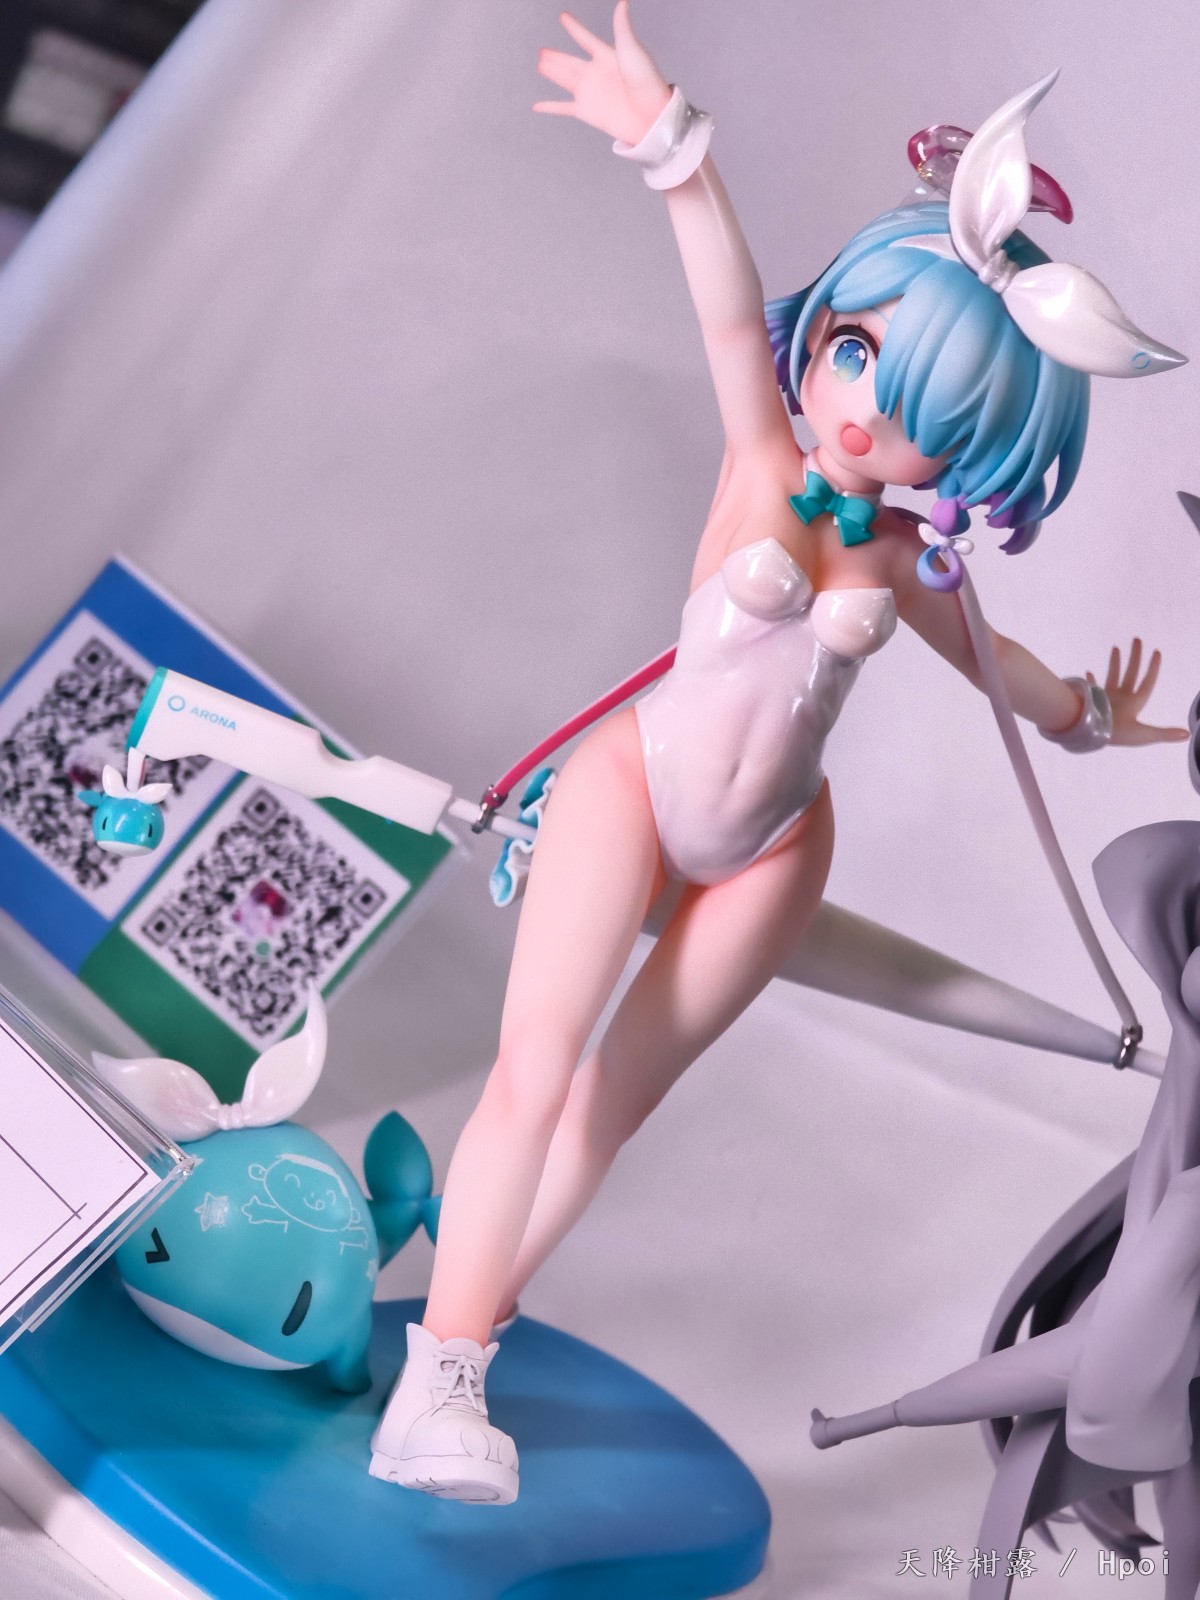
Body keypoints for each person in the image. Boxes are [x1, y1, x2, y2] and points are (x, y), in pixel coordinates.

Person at [369, 3, 1186, 1505]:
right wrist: (673, 152)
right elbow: (727, 309)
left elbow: (999, 674)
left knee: (612, 1103)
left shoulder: (907, 562)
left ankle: (462, 1329)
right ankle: (442, 1374)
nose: (866, 417)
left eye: (928, 414)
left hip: (775, 850)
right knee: (532, 1071)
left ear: (974, 455)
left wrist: (1093, 717)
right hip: (635, 785)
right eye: (860, 355)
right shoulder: (763, 459)